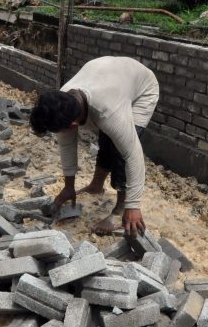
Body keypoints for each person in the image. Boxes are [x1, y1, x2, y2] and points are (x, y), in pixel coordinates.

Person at [30, 56, 159, 236]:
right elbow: (67, 146)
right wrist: (69, 187)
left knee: (119, 150)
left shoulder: (109, 112)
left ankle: (121, 209)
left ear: (74, 125)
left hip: (143, 89)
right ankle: (96, 185)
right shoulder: (63, 100)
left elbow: (133, 155)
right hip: (111, 76)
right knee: (107, 136)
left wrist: (134, 205)